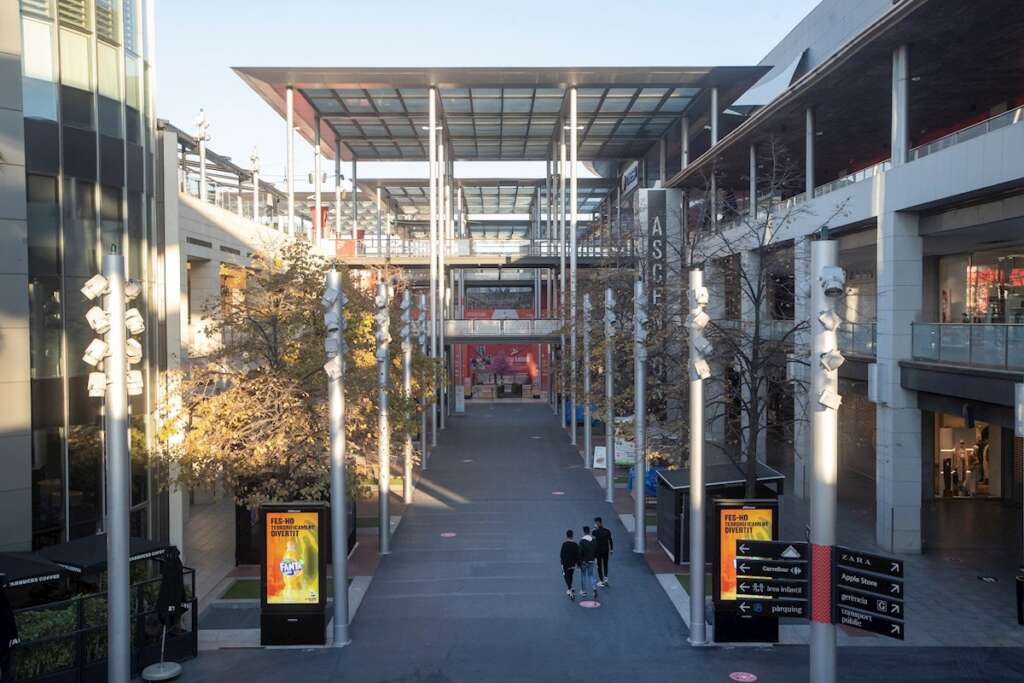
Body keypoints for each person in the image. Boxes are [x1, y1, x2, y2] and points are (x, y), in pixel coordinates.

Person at [593, 517, 613, 587]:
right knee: (605, 564)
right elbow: (610, 540)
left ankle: (601, 581)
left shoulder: (595, 532)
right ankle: (606, 579)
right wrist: (611, 549)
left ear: (598, 523)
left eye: (595, 523)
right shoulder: (607, 531)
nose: (595, 524)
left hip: (598, 552)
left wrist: (595, 528)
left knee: (599, 566)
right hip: (606, 551)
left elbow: (593, 538)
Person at [560, 529, 580, 601]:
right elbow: (578, 555)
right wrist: (578, 563)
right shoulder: (575, 545)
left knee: (566, 576)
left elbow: (561, 555)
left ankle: (570, 589)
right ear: (572, 536)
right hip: (572, 564)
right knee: (571, 575)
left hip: (566, 564)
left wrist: (561, 563)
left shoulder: (564, 544)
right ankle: (569, 589)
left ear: (566, 536)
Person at [578, 526, 598, 598]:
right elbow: (596, 550)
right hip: (591, 560)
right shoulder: (593, 540)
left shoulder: (582, 541)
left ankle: (584, 591)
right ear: (589, 531)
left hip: (584, 561)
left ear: (583, 532)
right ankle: (594, 589)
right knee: (591, 575)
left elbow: (580, 553)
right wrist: (594, 558)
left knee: (583, 575)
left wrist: (579, 562)